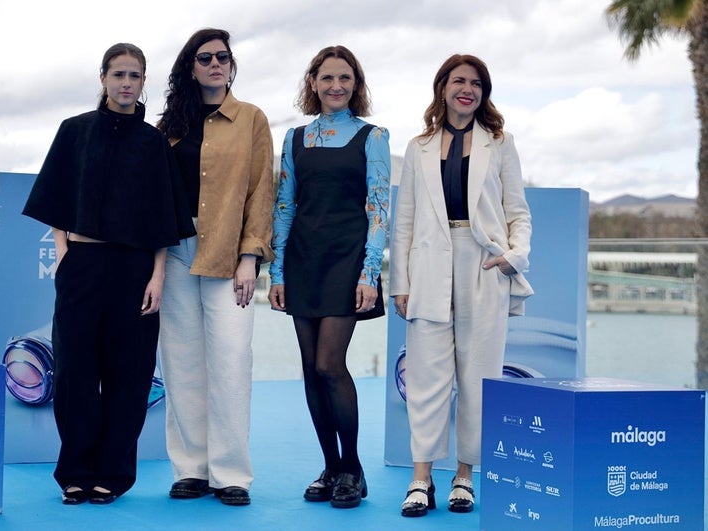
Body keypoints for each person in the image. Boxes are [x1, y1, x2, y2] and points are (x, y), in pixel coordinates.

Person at [22, 43, 195, 505]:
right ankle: (75, 472)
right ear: (102, 77)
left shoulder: (153, 143)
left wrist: (157, 276)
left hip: (135, 269)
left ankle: (113, 475)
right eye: (118, 73)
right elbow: (54, 198)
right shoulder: (74, 131)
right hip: (82, 265)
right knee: (75, 370)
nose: (125, 82)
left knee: (130, 374)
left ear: (143, 83)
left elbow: (163, 218)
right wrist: (63, 252)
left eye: (134, 76)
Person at [389, 53, 533, 517]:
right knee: (428, 377)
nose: (466, 89)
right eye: (458, 81)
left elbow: (518, 213)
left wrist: (511, 257)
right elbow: (404, 221)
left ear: (483, 92)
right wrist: (400, 283)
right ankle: (420, 478)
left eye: (475, 83)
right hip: (429, 266)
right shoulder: (418, 146)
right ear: (443, 88)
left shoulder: (501, 143)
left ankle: (466, 476)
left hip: (483, 266)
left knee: (479, 377)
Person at [268, 45, 390, 509]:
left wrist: (370, 273)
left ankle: (353, 468)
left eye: (345, 78)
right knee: (309, 371)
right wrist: (275, 272)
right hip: (302, 259)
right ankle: (330, 466)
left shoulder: (373, 136)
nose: (336, 86)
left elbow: (378, 208)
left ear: (356, 85)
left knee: (328, 365)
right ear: (313, 83)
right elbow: (284, 207)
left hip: (348, 259)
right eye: (327, 78)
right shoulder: (295, 138)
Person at [156, 28, 274, 506]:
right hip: (176, 248)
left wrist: (251, 257)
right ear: (191, 66)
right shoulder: (170, 124)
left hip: (230, 253)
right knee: (182, 363)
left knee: (229, 361)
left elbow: (262, 190)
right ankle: (191, 469)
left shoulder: (252, 119)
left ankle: (231, 474)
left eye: (223, 57)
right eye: (205, 58)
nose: (215, 64)